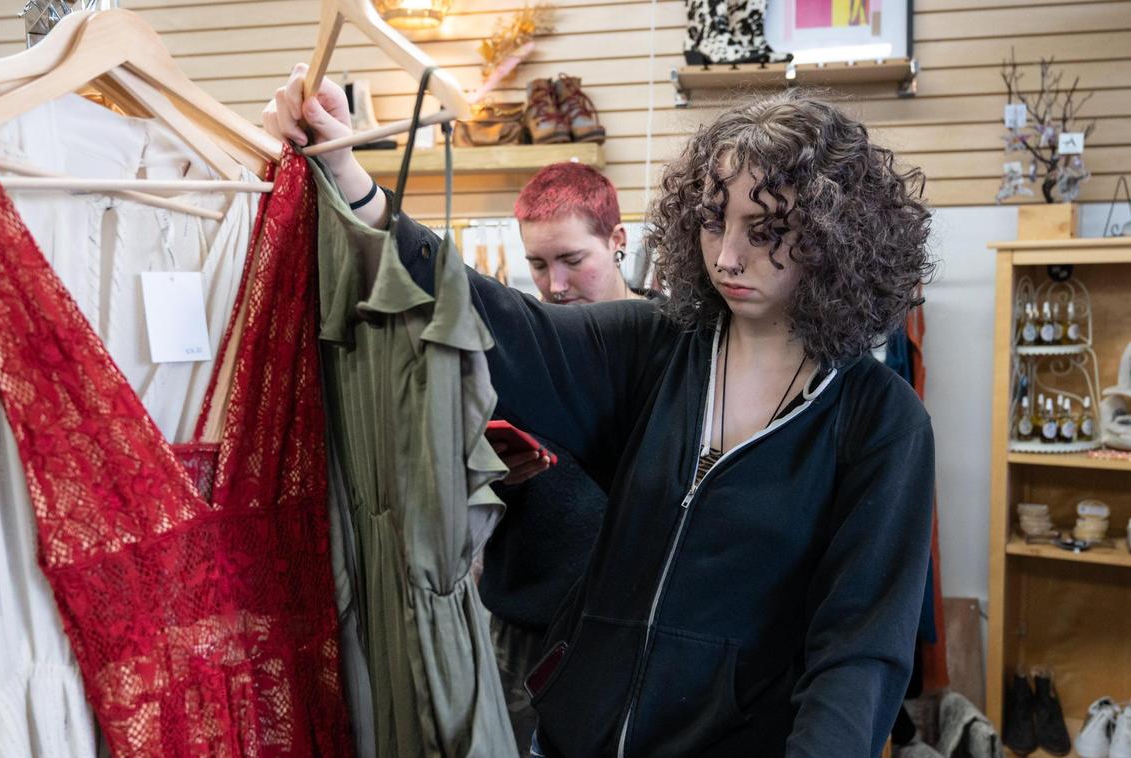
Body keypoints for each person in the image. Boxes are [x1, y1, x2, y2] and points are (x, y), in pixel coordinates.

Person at [265, 65, 936, 756]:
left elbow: (859, 650)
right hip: (575, 738)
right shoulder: (653, 349)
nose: (729, 255)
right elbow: (503, 327)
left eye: (765, 230)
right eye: (714, 221)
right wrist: (356, 185)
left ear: (837, 238)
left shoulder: (880, 422)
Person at [478, 162, 654, 755]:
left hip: (639, 633)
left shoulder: (673, 348)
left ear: (619, 240)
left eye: (572, 261)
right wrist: (488, 475)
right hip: (525, 635)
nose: (553, 285)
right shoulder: (508, 357)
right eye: (536, 264)